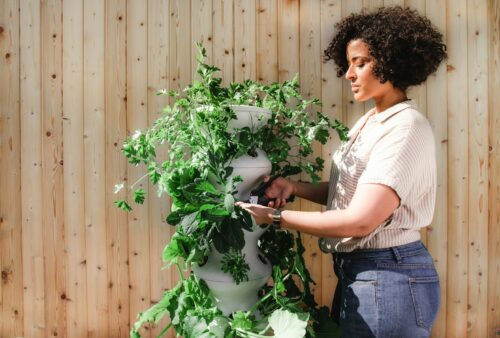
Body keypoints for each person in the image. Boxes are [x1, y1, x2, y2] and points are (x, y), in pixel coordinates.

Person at [236, 6, 447, 338]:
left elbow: (361, 220)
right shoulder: (371, 122)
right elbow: (351, 193)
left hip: (388, 277)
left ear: (393, 60)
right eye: (348, 64)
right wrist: (294, 187)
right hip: (365, 274)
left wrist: (275, 219)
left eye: (360, 63)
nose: (349, 74)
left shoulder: (405, 128)